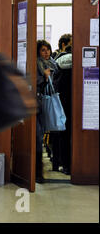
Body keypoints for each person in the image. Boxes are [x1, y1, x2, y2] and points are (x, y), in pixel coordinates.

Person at [36, 40, 59, 183]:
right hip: (39, 102)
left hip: (48, 103)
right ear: (38, 51)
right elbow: (37, 83)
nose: (46, 53)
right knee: (38, 136)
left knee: (46, 132)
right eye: (43, 50)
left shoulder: (53, 64)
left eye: (48, 50)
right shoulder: (36, 65)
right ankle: (37, 173)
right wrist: (44, 78)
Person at [53, 44, 72, 175]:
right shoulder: (78, 61)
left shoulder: (57, 61)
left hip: (61, 101)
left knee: (62, 134)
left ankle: (63, 165)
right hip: (75, 102)